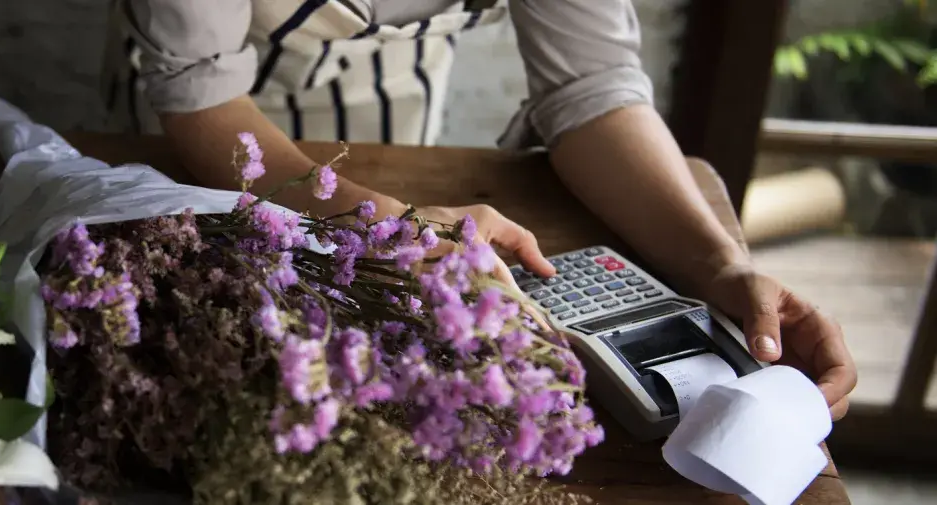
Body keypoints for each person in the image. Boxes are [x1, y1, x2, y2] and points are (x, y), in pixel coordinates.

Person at [99, 0, 857, 419]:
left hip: (395, 89)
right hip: (214, 115)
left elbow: (590, 86)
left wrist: (719, 266)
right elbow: (200, 97)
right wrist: (383, 221)